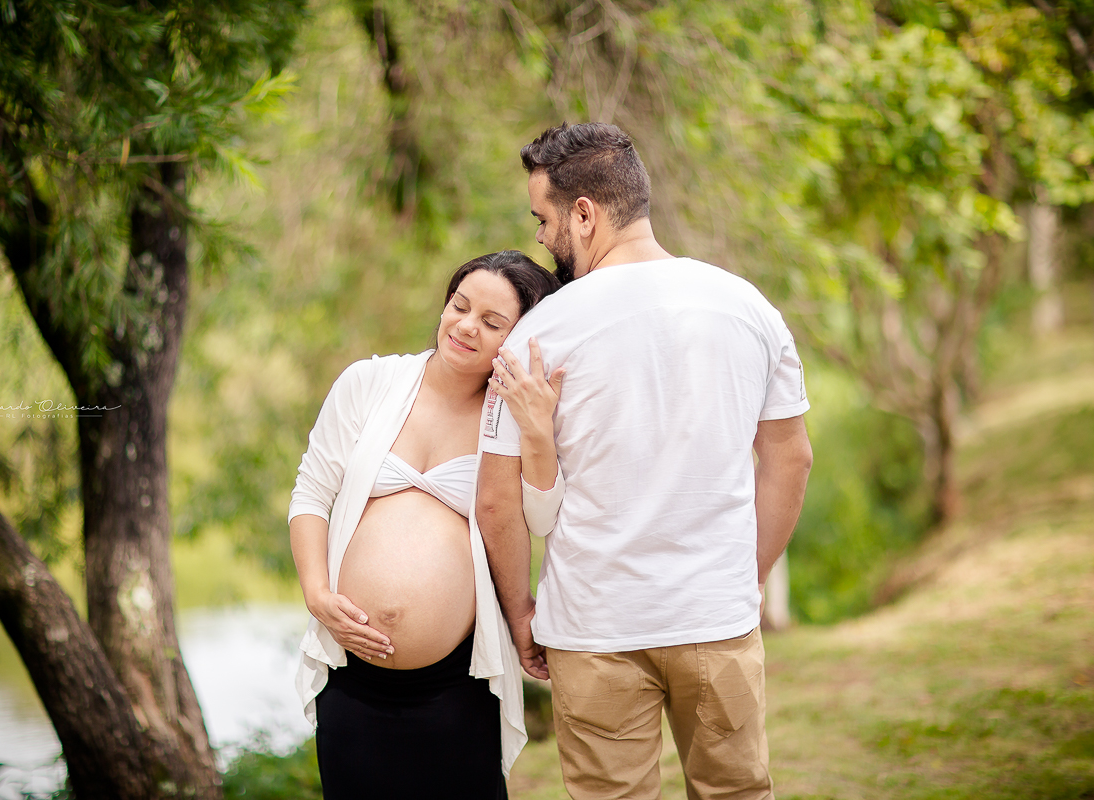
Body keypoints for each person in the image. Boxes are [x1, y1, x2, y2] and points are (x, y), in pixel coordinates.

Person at [477, 122, 815, 800]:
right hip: (714, 616)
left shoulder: (540, 332)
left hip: (594, 629)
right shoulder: (749, 308)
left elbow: (495, 499)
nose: (542, 238)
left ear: (585, 212)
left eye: (545, 218)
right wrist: (743, 580)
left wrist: (520, 616)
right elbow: (791, 459)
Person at [287, 250, 565, 800]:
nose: (465, 326)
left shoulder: (511, 415)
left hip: (455, 684)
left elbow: (540, 515)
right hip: (352, 677)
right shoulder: (368, 382)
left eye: (492, 322)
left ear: (518, 337)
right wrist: (317, 594)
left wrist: (537, 432)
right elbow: (311, 495)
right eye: (459, 307)